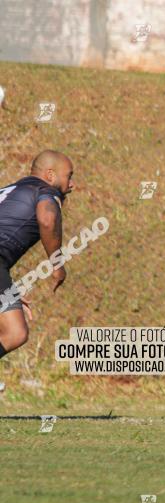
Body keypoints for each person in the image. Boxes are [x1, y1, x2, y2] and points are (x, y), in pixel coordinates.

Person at [0, 150, 73, 360]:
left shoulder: (10, 190)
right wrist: (57, 266)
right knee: (15, 332)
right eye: (69, 176)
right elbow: (47, 220)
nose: (71, 185)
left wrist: (7, 291)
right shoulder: (45, 191)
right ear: (50, 175)